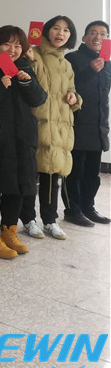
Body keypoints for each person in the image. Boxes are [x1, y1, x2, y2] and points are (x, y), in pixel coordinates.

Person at [0, 26, 46, 259]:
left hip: (23, 137)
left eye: (18, 45)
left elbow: (39, 99)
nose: (12, 50)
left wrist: (26, 82)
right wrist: (0, 86)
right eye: (7, 44)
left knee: (18, 186)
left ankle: (9, 231)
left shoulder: (24, 66)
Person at [22, 15, 82, 240]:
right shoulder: (33, 54)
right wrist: (29, 60)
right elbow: (26, 85)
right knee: (30, 176)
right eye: (56, 28)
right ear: (46, 31)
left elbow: (72, 89)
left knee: (52, 177)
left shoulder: (66, 64)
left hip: (59, 127)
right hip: (36, 124)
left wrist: (74, 97)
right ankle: (28, 219)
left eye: (66, 30)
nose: (61, 33)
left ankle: (49, 220)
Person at [65, 21, 110, 224]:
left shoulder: (107, 62)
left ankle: (88, 207)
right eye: (93, 32)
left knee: (93, 172)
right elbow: (68, 88)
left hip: (99, 125)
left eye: (103, 34)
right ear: (84, 38)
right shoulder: (72, 58)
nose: (98, 37)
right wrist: (90, 71)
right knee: (75, 171)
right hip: (78, 124)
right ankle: (73, 210)